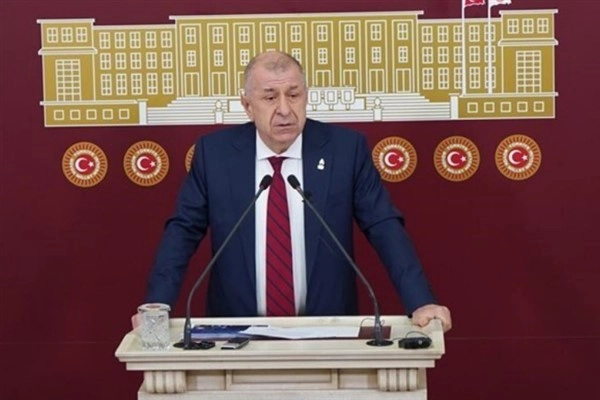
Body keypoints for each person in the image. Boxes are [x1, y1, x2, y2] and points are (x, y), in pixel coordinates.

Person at [138, 50, 451, 332]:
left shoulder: (345, 150)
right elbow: (183, 230)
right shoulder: (214, 154)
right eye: (270, 98)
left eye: (294, 95)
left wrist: (420, 301)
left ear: (306, 96)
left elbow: (383, 225)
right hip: (236, 332)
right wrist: (158, 304)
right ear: (247, 105)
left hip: (329, 331)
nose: (285, 109)